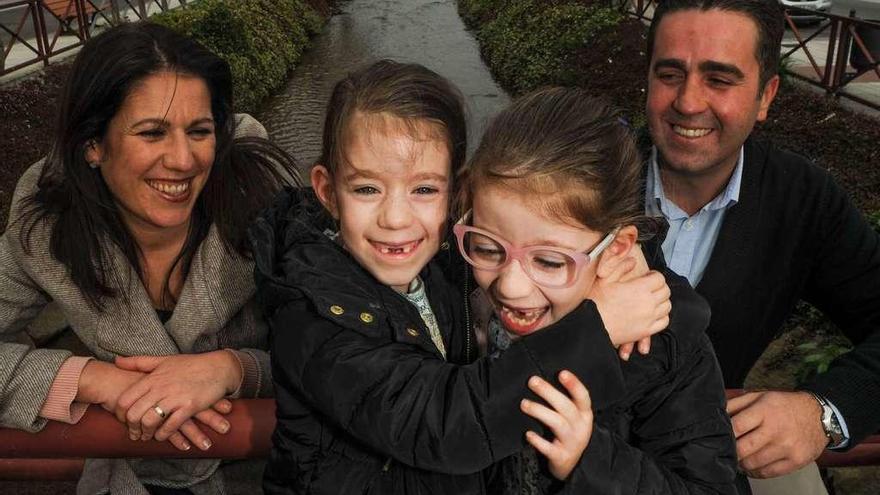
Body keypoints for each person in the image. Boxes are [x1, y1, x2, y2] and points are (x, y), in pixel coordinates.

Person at [251, 60, 672, 495]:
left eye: (424, 190)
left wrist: (624, 256)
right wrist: (598, 330)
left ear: (455, 195)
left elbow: (544, 229)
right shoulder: (312, 312)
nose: (396, 219)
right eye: (366, 189)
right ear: (326, 192)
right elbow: (446, 424)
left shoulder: (445, 260)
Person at [0, 22, 300, 494]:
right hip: (130, 479)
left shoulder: (267, 201)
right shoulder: (48, 227)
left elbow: (345, 346)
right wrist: (90, 379)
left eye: (199, 131)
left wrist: (234, 369)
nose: (183, 160)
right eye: (152, 132)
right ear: (93, 145)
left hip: (269, 476)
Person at [455, 87, 743, 494]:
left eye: (550, 262)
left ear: (617, 249)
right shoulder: (452, 284)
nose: (509, 285)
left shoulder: (667, 354)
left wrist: (588, 459)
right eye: (486, 247)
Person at [642, 0, 880, 493]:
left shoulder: (804, 202)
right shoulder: (582, 178)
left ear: (766, 96)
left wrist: (824, 412)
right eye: (670, 74)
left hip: (706, 463)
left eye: (719, 79)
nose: (688, 102)